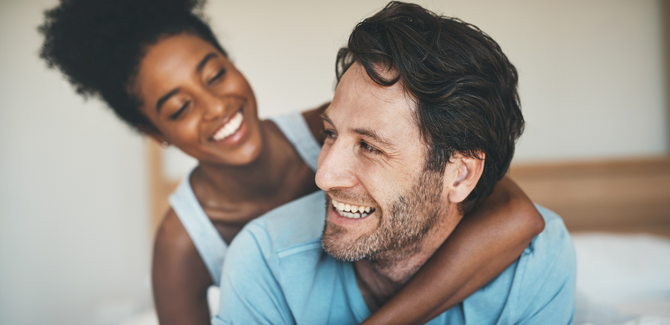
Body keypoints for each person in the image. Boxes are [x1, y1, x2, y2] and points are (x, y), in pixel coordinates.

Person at [39, 0, 545, 324]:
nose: (215, 108)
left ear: (233, 63)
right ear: (156, 133)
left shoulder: (329, 130)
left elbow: (517, 215)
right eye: (179, 107)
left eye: (214, 74)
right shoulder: (180, 247)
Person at [214, 2, 577, 325]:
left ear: (460, 175)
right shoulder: (264, 263)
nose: (324, 176)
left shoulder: (534, 265)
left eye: (370, 147)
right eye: (329, 133)